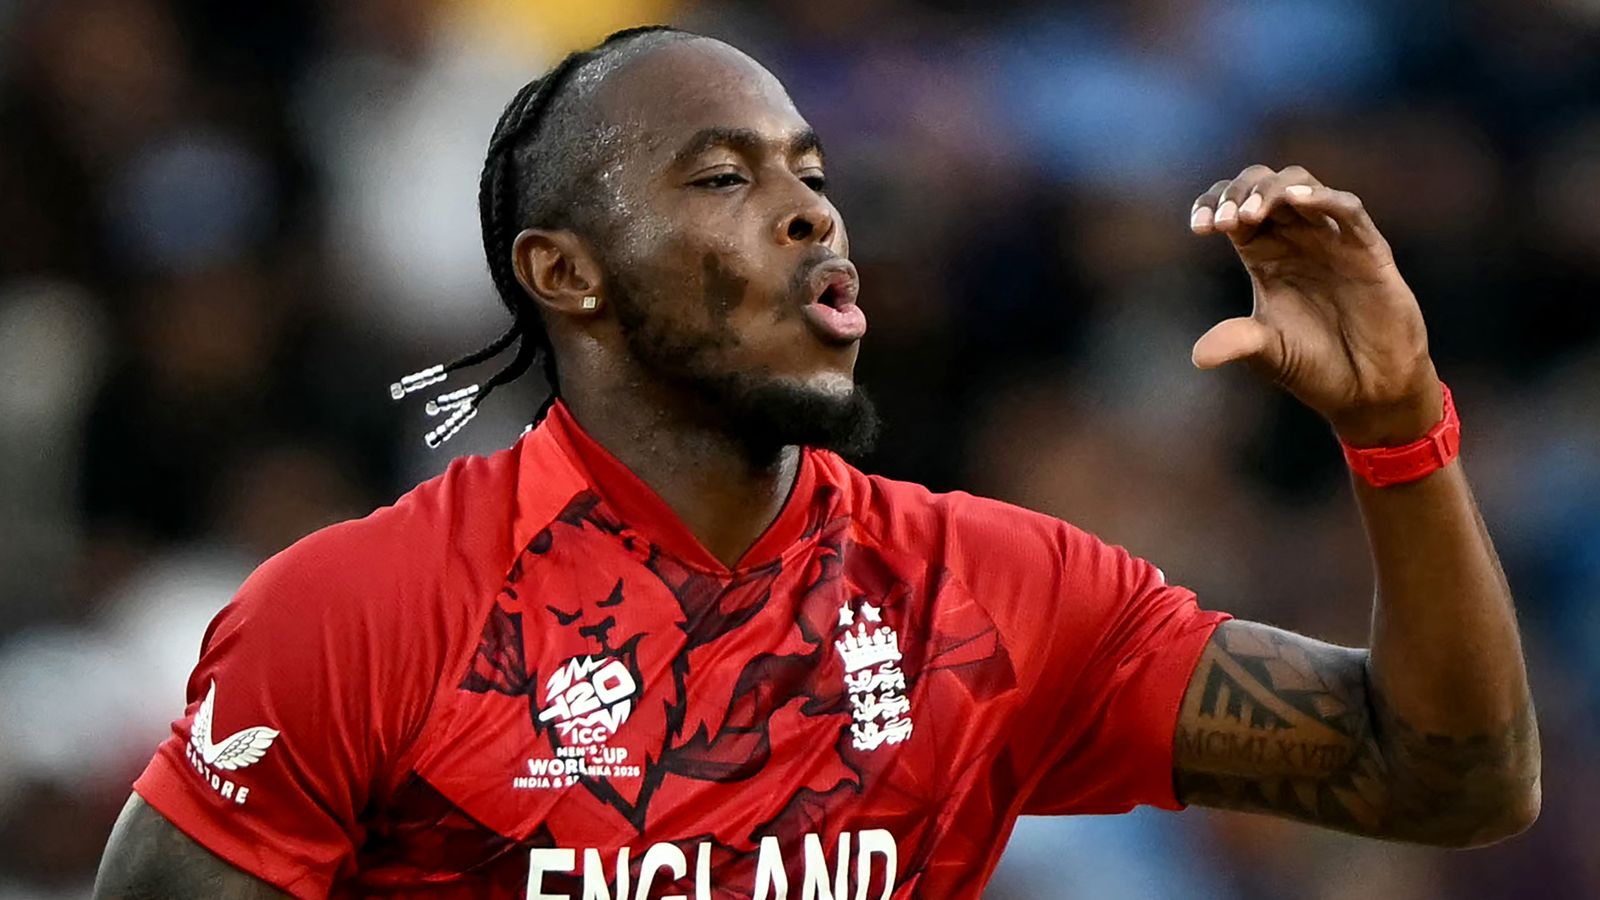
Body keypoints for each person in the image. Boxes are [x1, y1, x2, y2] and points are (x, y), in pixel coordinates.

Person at [92, 25, 1540, 900]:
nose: (812, 216)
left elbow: (1451, 784)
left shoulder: (992, 595)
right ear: (566, 273)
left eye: (814, 174)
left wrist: (1395, 430)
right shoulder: (360, 615)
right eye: (726, 177)